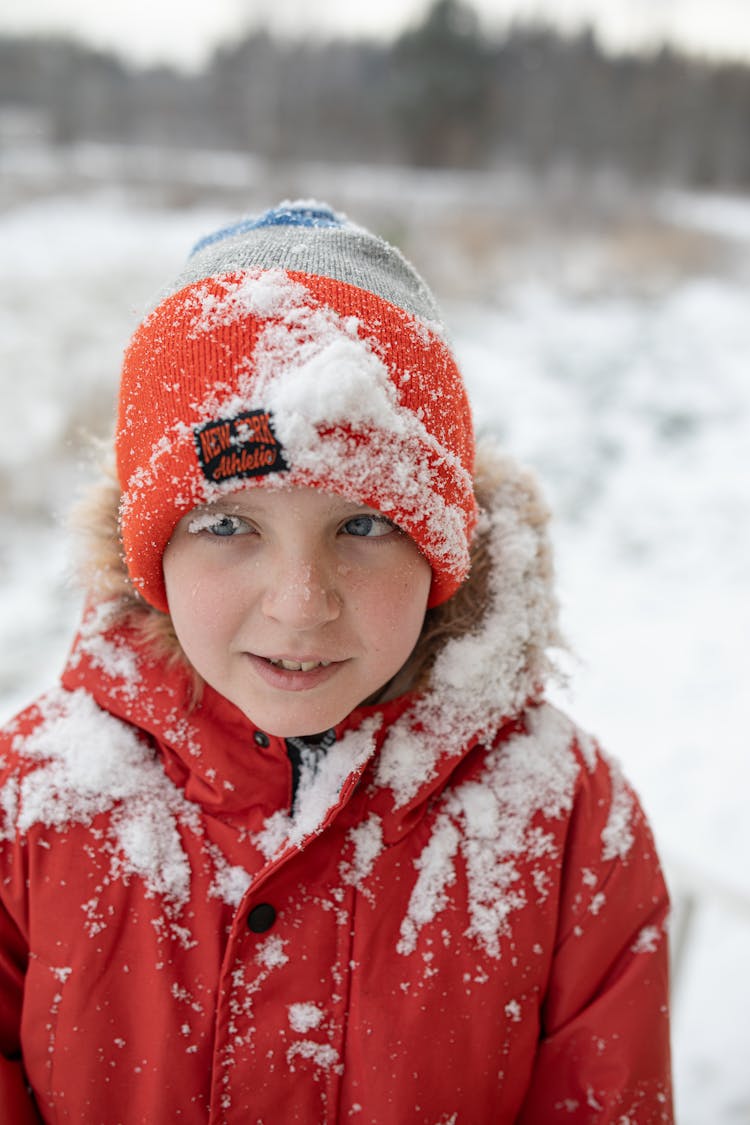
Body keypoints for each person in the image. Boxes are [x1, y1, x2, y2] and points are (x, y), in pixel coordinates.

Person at [0, 202, 673, 1123]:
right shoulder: (29, 803)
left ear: (442, 554)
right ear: (146, 556)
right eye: (229, 524)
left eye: (363, 525)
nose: (299, 600)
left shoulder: (565, 816)